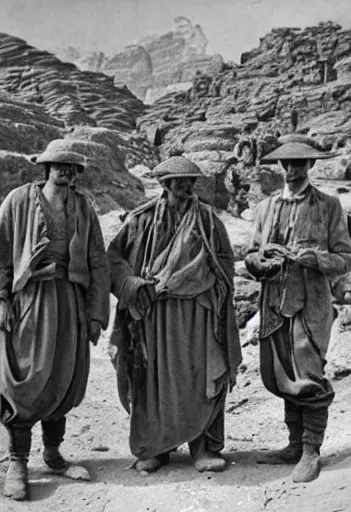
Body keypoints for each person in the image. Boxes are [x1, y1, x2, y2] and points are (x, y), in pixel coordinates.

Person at [0, 139, 110, 500]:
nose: (66, 172)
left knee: (62, 376)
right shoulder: (19, 200)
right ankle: (18, 461)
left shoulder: (84, 207)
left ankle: (52, 455)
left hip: (69, 302)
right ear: (46, 168)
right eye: (60, 166)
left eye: (73, 168)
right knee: (23, 379)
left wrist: (97, 313)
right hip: (28, 302)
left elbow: (98, 260)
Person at [108, 156, 242, 474]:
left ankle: (204, 447)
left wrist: (204, 281)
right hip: (152, 316)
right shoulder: (140, 220)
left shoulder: (209, 221)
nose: (187, 187)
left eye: (191, 182)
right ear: (165, 184)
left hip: (198, 314)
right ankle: (156, 447)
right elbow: (112, 259)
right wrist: (133, 284)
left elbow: (225, 264)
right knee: (152, 380)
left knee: (201, 375)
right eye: (180, 182)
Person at [244, 136, 351, 483]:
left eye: (299, 164)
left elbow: (346, 258)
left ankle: (311, 450)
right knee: (281, 372)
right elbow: (249, 254)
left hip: (311, 305)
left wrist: (316, 259)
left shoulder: (328, 206)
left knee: (308, 373)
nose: (292, 170)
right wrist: (260, 263)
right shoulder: (265, 207)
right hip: (274, 301)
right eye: (286, 164)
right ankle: (294, 444)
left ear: (311, 166)